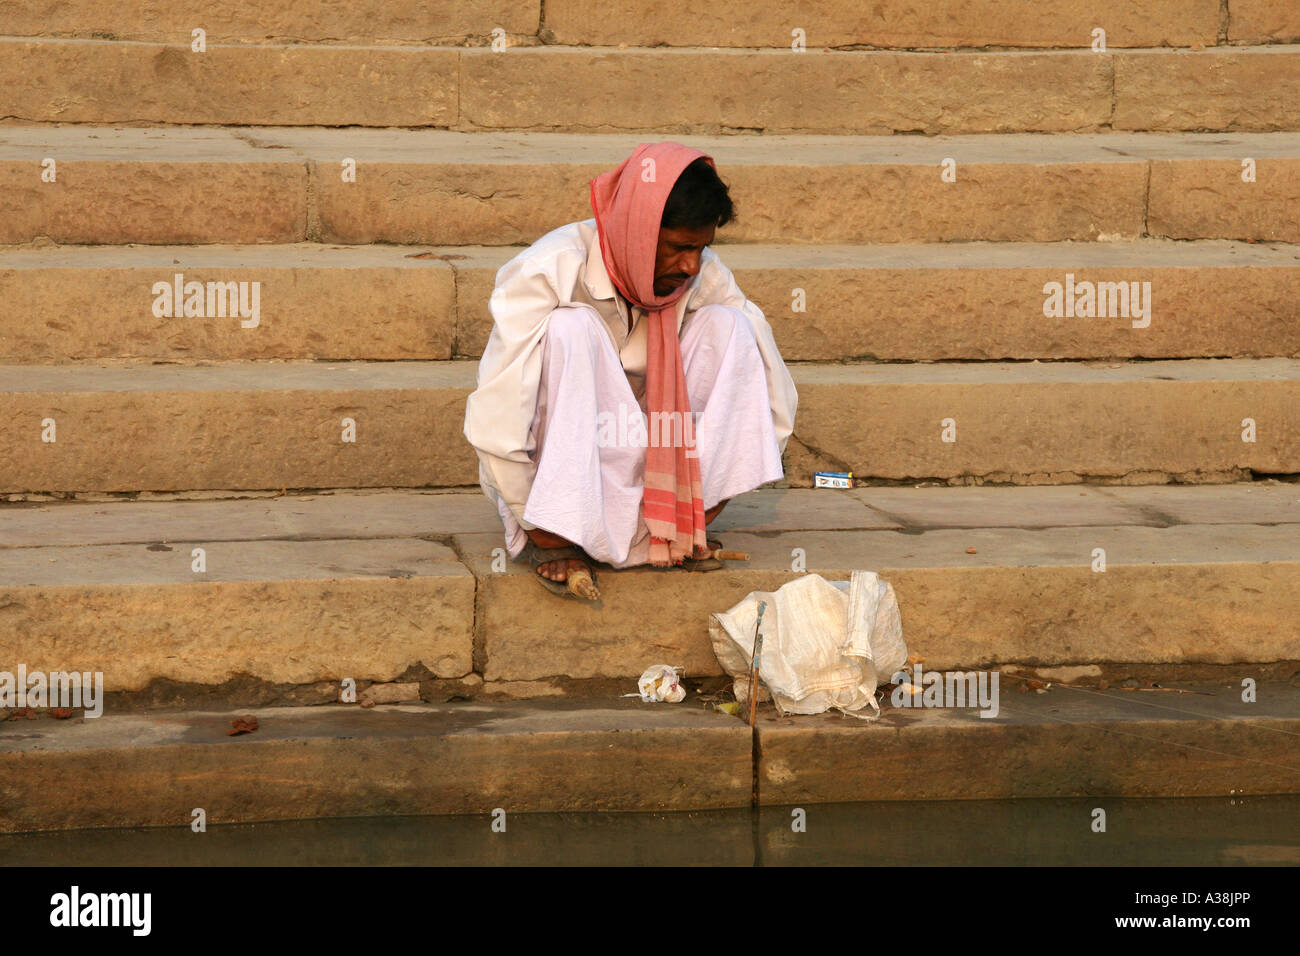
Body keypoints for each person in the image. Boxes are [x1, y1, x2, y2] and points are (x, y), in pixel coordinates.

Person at [463, 141, 798, 600]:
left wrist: (706, 502)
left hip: (657, 458)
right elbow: (497, 417)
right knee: (570, 328)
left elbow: (768, 391)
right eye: (680, 248)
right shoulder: (549, 268)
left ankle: (667, 527)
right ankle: (567, 529)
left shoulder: (703, 275)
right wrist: (540, 529)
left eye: (702, 248)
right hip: (561, 472)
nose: (691, 266)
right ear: (640, 233)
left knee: (733, 327)